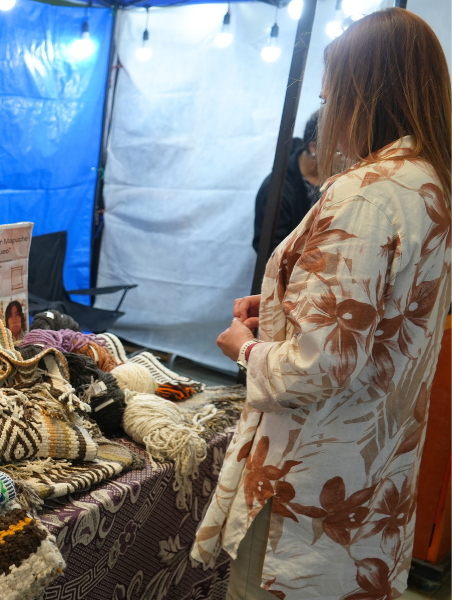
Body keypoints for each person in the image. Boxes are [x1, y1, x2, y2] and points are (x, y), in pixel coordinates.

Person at [194, 9, 451, 600]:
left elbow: (319, 365)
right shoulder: (428, 184)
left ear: (362, 95)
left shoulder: (365, 195)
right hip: (372, 465)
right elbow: (381, 317)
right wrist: (284, 302)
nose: (327, 111)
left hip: (309, 483)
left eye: (330, 95)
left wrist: (246, 348)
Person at [252, 110, 321, 255]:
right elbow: (270, 251)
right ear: (313, 148)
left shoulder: (337, 178)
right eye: (339, 153)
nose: (345, 159)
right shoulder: (276, 190)